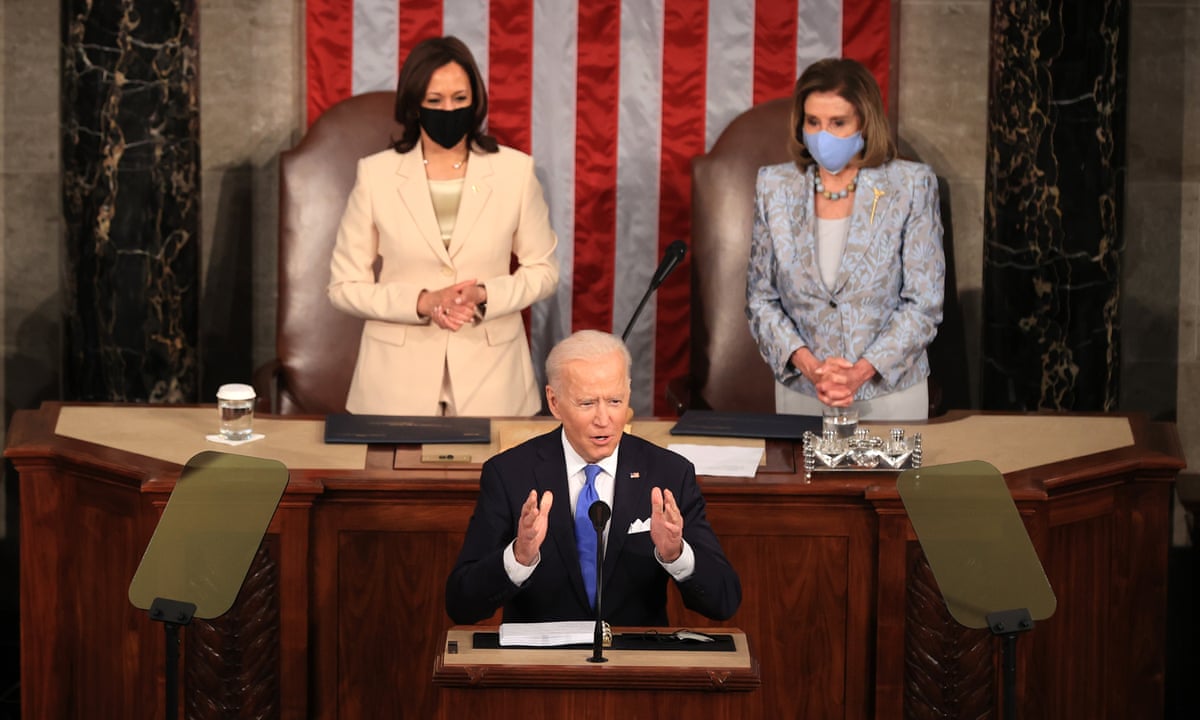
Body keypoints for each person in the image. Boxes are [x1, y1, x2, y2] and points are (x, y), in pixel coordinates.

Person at [328, 36, 559, 416]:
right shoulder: (376, 174)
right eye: (435, 101)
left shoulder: (516, 171)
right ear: (414, 105)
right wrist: (422, 301)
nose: (448, 110)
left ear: (476, 101)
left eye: (459, 99)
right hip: (394, 386)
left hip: (494, 380)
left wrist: (485, 293)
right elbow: (343, 287)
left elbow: (544, 272)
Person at [445, 330, 741, 626]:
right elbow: (461, 604)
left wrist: (676, 554)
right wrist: (518, 557)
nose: (604, 419)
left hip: (633, 664)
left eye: (615, 401)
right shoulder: (510, 474)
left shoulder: (668, 474)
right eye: (587, 403)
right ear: (554, 401)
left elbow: (724, 601)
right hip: (539, 664)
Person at [745, 58, 945, 420]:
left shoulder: (911, 186)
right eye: (813, 122)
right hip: (805, 394)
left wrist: (858, 373)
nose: (824, 135)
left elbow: (923, 303)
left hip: (888, 393)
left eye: (838, 123)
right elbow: (761, 299)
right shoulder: (774, 187)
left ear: (865, 123)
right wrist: (812, 369)